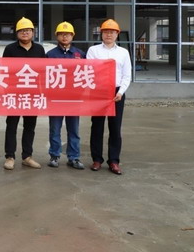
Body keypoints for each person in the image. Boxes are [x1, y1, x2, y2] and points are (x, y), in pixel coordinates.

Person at [87, 19, 132, 175]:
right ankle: (97, 159)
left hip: (116, 92)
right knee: (97, 126)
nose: (109, 35)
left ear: (117, 34)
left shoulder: (123, 53)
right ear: (101, 34)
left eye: (112, 32)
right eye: (106, 32)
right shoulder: (93, 51)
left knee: (115, 127)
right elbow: (89, 72)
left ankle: (114, 161)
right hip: (98, 92)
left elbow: (127, 75)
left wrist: (120, 92)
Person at [2, 17, 46, 170]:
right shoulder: (10, 49)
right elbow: (4, 71)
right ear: (17, 33)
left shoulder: (39, 49)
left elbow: (43, 71)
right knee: (11, 126)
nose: (25, 33)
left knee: (30, 126)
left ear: (33, 32)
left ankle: (27, 156)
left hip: (33, 95)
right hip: (14, 94)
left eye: (28, 30)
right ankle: (10, 156)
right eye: (22, 30)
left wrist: (42, 93)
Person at [46, 21, 85, 170]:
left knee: (73, 129)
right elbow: (44, 76)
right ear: (57, 36)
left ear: (72, 36)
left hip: (74, 99)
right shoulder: (50, 55)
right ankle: (54, 155)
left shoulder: (80, 54)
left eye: (67, 34)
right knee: (55, 129)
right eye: (61, 34)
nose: (64, 37)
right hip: (56, 99)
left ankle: (74, 157)